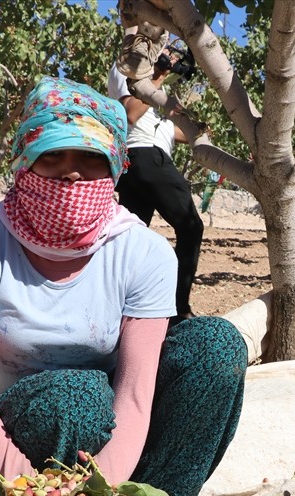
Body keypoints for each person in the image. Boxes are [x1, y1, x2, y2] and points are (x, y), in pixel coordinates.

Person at [0, 77, 247, 496]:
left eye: (89, 157)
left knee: (217, 346)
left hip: (111, 440)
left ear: (115, 165)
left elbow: (135, 396)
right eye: (52, 155)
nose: (71, 173)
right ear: (25, 159)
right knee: (77, 395)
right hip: (6, 456)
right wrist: (27, 490)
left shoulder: (144, 253)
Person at [108, 48, 204, 321]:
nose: (170, 58)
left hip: (137, 165)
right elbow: (130, 114)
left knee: (131, 238)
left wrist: (198, 127)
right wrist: (158, 77)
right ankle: (178, 309)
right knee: (191, 227)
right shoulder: (128, 68)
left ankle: (121, 308)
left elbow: (174, 131)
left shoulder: (156, 101)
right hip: (146, 155)